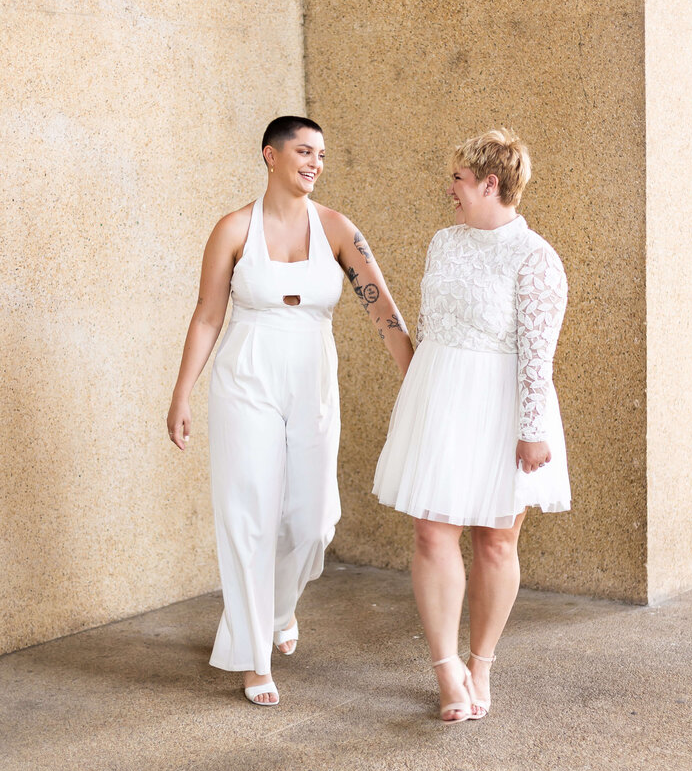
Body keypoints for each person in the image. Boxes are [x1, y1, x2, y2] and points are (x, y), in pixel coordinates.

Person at [168, 116, 413, 705]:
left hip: (312, 379)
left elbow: (383, 311)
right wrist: (180, 393)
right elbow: (207, 315)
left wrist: (418, 378)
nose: (315, 162)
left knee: (310, 522)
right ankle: (255, 661)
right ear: (270, 156)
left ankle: (278, 612)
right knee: (248, 513)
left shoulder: (337, 229)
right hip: (245, 377)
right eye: (304, 151)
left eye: (322, 154)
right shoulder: (232, 229)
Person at [373, 128, 570, 723]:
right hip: (441, 397)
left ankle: (481, 663)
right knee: (433, 531)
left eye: (458, 178)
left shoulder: (536, 256)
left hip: (504, 404)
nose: (449, 188)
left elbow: (539, 352)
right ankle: (446, 671)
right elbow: (431, 325)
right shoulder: (444, 242)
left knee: (497, 538)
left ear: (491, 183)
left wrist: (533, 429)